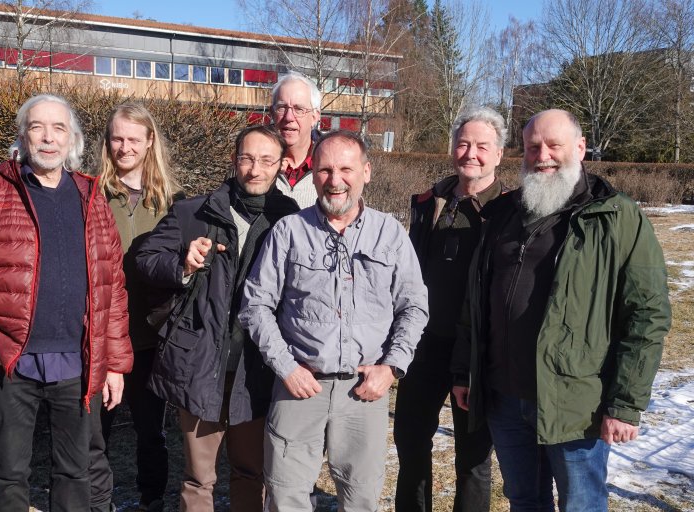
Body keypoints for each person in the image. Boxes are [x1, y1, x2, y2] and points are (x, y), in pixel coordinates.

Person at [452, 109, 671, 512]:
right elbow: (476, 300)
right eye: (534, 147)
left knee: (581, 505)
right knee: (524, 501)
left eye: (554, 145)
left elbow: (647, 313)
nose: (543, 155)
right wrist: (465, 370)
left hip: (576, 404)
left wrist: (625, 404)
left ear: (580, 148)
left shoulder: (616, 216)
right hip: (505, 397)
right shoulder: (503, 214)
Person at [0, 94, 133, 512]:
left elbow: (110, 285)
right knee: (9, 474)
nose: (48, 138)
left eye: (59, 128)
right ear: (23, 136)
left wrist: (114, 362)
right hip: (10, 362)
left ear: (73, 139)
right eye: (37, 127)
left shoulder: (91, 196)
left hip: (77, 363)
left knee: (74, 473)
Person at [239, 130, 429, 511]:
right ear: (314, 175)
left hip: (363, 391)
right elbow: (255, 304)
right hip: (299, 387)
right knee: (286, 494)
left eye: (346, 168)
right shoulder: (289, 232)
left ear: (366, 172)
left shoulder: (389, 233)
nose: (335, 180)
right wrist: (286, 367)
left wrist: (391, 368)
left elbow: (414, 306)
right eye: (325, 170)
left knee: (361, 497)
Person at [135, 124, 299, 511]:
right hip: (198, 363)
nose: (254, 169)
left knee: (250, 472)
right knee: (198, 478)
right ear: (234, 160)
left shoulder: (291, 220)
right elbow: (145, 260)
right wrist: (183, 264)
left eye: (265, 160)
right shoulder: (194, 211)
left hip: (258, 367)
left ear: (281, 166)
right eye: (246, 158)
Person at [394, 107, 503, 512]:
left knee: (473, 460)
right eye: (463, 143)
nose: (470, 153)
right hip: (422, 345)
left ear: (498, 154)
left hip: (476, 350)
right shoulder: (429, 202)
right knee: (411, 446)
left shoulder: (509, 210)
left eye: (481, 146)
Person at [90, 103, 181, 512]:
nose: (124, 147)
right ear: (107, 142)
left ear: (149, 142)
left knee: (151, 431)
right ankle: (98, 502)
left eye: (133, 139)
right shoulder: (88, 195)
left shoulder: (173, 201)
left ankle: (152, 500)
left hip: (149, 336)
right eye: (117, 138)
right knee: (95, 431)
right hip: (99, 337)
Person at [271, 71, 321, 207]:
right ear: (272, 113)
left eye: (299, 109)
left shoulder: (332, 167)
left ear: (315, 117)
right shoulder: (251, 163)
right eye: (281, 108)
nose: (289, 117)